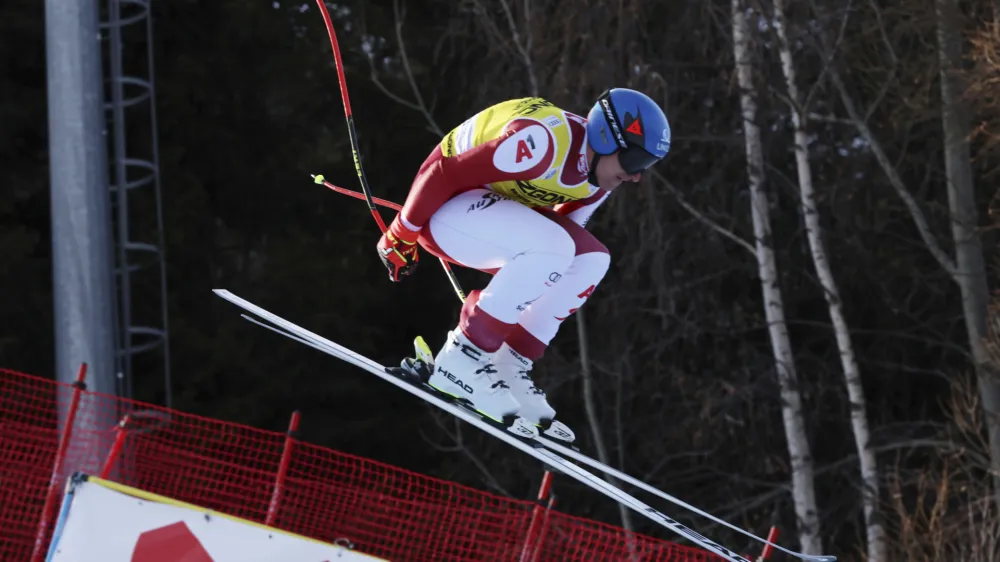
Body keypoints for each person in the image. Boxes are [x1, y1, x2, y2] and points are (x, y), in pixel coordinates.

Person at [376, 89, 671, 441]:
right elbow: (444, 172)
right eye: (636, 162)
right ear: (607, 139)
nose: (637, 176)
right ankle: (462, 359)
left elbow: (558, 253)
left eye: (646, 167)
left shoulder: (596, 182)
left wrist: (518, 292)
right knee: (556, 246)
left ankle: (508, 364)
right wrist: (400, 234)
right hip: (442, 207)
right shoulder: (544, 141)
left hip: (486, 213)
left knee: (591, 260)